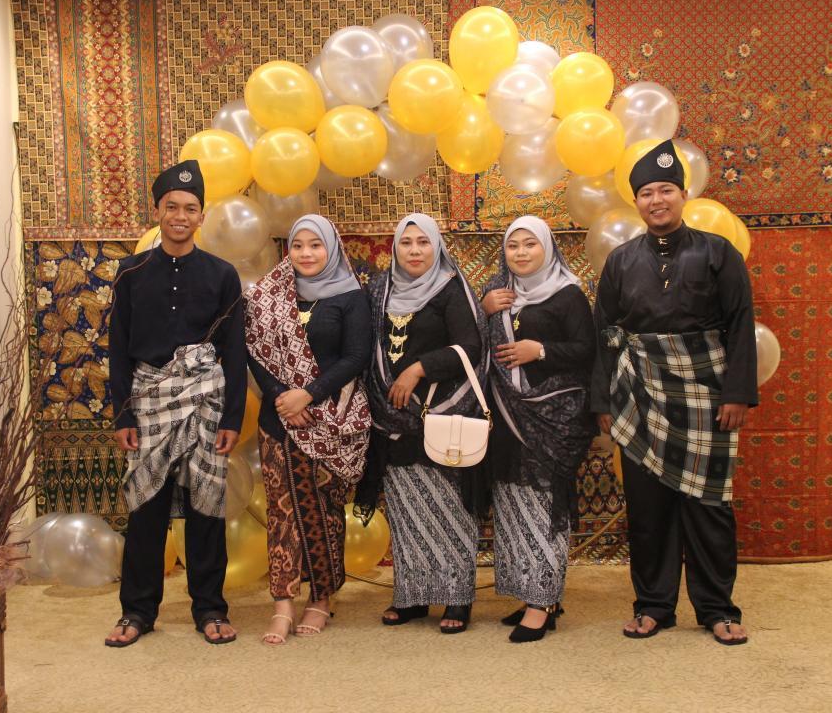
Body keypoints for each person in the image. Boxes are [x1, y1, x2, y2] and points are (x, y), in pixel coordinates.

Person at [590, 140, 758, 647]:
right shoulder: (621, 261)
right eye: (646, 193)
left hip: (707, 393)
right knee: (649, 510)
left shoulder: (718, 253)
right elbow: (605, 333)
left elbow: (740, 324)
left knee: (709, 506)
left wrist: (737, 393)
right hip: (639, 392)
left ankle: (717, 609)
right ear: (636, 202)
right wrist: (603, 401)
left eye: (665, 190)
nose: (656, 200)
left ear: (684, 195)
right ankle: (653, 606)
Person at [104, 159, 247, 648]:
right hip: (148, 402)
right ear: (157, 212)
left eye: (190, 208)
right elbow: (118, 349)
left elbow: (234, 351)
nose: (180, 216)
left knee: (207, 507)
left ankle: (210, 608)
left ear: (201, 216)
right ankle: (137, 611)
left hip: (206, 403)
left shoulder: (222, 275)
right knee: (146, 508)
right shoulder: (131, 272)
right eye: (172, 207)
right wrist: (123, 412)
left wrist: (231, 417)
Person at [354, 213, 488, 634]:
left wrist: (419, 368)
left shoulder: (451, 288)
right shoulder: (381, 289)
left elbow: (471, 347)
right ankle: (411, 596)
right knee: (405, 513)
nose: (414, 251)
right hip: (391, 421)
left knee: (449, 512)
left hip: (440, 415)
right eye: (406, 242)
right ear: (395, 247)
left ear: (437, 246)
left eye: (423, 242)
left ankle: (457, 598)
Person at [244, 214, 373, 645]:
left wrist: (309, 395)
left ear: (331, 247)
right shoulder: (268, 294)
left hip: (329, 420)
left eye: (315, 245)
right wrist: (282, 397)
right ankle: (282, 604)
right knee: (281, 513)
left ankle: (321, 598)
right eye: (297, 245)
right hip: (278, 420)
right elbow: (254, 350)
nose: (305, 253)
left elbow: (355, 357)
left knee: (322, 510)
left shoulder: (350, 296)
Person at [481, 215, 596, 643]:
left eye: (530, 244)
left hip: (555, 418)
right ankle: (533, 593)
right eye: (513, 246)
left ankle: (542, 603)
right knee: (514, 506)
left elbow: (587, 350)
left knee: (544, 508)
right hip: (508, 418)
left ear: (548, 248)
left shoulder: (568, 294)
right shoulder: (499, 294)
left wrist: (540, 350)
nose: (521, 252)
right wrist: (484, 311)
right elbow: (475, 349)